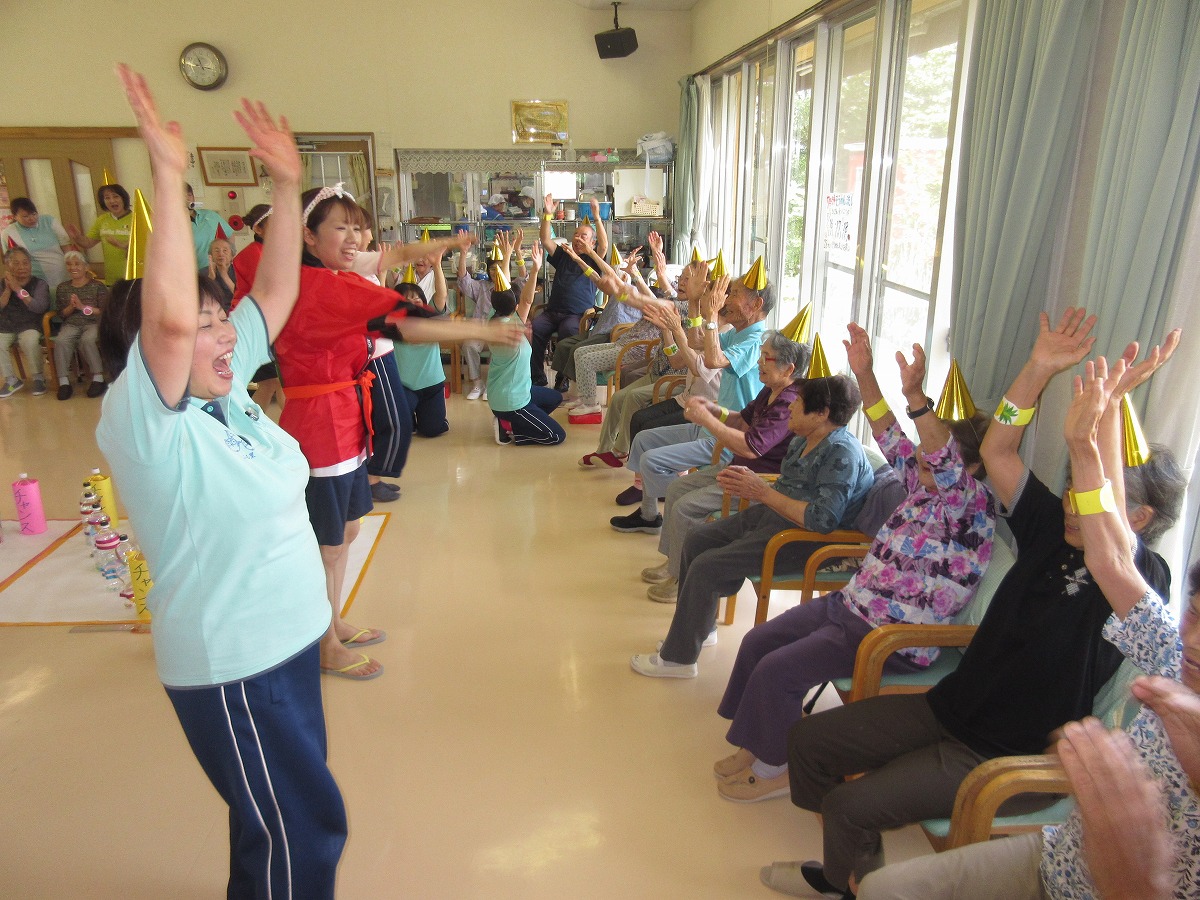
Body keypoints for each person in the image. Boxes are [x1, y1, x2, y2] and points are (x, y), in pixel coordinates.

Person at [767, 310, 1183, 900]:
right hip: (948, 706)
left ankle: (850, 879)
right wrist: (1038, 367)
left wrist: (1104, 420)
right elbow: (1000, 448)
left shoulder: (1140, 578)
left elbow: (1109, 539)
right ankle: (855, 870)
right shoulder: (1048, 529)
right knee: (809, 744)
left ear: (1135, 520)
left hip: (1005, 751)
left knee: (850, 803)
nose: (1071, 500)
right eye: (1070, 489)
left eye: (1085, 495)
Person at [96, 65, 347, 897]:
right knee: (301, 836)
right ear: (149, 354)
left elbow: (274, 289)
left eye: (219, 320)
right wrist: (167, 179)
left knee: (274, 824)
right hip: (235, 663)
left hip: (286, 645)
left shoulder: (224, 385)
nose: (223, 335)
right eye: (204, 326)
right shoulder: (149, 417)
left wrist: (288, 184)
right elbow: (169, 322)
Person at [711, 324, 994, 802]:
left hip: (889, 636)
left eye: (939, 456)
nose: (924, 457)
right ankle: (757, 743)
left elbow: (935, 455)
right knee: (760, 642)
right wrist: (866, 375)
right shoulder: (920, 484)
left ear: (971, 470)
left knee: (779, 671)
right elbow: (888, 435)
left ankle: (778, 767)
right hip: (852, 606)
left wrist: (918, 397)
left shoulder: (970, 510)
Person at [273, 186, 522, 680]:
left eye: (358, 227)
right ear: (307, 236)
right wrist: (485, 331)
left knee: (345, 530)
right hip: (321, 424)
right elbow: (406, 323)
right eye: (340, 228)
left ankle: (333, 620)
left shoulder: (333, 272)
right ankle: (322, 641)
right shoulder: (323, 287)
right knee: (328, 541)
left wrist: (437, 250)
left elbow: (382, 262)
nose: (355, 239)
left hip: (345, 416)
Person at [631, 374, 876, 678]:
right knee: (697, 539)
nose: (790, 408)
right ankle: (700, 627)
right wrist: (761, 490)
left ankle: (678, 660)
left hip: (804, 539)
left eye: (799, 403)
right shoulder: (804, 436)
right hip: (776, 515)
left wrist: (762, 492)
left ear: (822, 413)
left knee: (707, 566)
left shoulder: (842, 453)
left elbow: (821, 520)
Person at [639, 330, 811, 603]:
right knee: (677, 489)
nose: (758, 363)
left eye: (766, 358)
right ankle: (674, 565)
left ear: (789, 368)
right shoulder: (771, 389)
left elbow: (750, 446)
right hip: (738, 468)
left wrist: (707, 421)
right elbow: (742, 420)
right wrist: (713, 408)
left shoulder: (789, 403)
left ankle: (683, 578)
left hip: (759, 480)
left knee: (686, 507)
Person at [610, 261, 772, 528]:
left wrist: (703, 316)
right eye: (726, 293)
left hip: (727, 436)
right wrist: (696, 303)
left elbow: (711, 360)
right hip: (710, 425)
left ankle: (679, 499)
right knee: (642, 440)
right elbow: (697, 341)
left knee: (653, 463)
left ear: (756, 305)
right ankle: (649, 514)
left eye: (733, 294)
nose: (726, 300)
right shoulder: (740, 334)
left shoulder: (754, 340)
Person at [578, 254, 719, 469]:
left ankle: (620, 451)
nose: (681, 282)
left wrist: (624, 290)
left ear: (703, 286)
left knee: (631, 397)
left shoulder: (692, 311)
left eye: (687, 279)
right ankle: (604, 450)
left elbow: (646, 301)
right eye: (680, 277)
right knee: (617, 398)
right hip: (660, 369)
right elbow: (650, 299)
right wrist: (630, 280)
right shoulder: (681, 304)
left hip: (676, 378)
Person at [486, 241, 566, 446]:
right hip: (511, 401)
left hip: (518, 391)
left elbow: (507, 291)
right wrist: (535, 269)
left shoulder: (494, 318)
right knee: (556, 436)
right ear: (514, 304)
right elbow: (527, 300)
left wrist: (507, 257)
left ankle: (512, 422)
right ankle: (513, 429)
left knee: (555, 398)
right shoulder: (510, 326)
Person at [530, 195, 609, 387]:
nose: (578, 238)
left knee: (569, 333)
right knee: (534, 330)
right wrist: (547, 215)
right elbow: (545, 239)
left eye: (584, 236)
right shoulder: (564, 255)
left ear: (592, 243)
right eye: (576, 235)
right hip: (552, 312)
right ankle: (537, 376)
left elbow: (604, 245)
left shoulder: (593, 260)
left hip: (577, 315)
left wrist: (597, 217)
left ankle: (562, 377)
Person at [456, 230, 527, 400]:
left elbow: (524, 278)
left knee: (501, 349)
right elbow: (463, 280)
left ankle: (492, 384)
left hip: (502, 334)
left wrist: (516, 252)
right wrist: (464, 253)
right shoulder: (481, 287)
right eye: (492, 269)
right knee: (469, 345)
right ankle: (477, 383)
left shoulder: (512, 288)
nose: (496, 272)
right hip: (480, 332)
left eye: (500, 268)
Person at [53, 250, 108, 399]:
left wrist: (83, 308)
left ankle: (98, 378)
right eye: (69, 264)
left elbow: (103, 311)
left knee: (87, 340)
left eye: (77, 264)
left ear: (86, 266)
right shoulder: (63, 288)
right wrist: (71, 307)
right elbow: (61, 314)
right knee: (61, 340)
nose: (73, 267)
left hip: (93, 323)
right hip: (71, 324)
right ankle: (64, 382)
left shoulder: (97, 286)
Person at [0, 246, 51, 397]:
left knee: (29, 340)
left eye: (25, 263)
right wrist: (8, 291)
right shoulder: (3, 284)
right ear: (8, 266)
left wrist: (18, 290)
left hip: (30, 324)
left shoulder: (40, 284)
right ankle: (11, 379)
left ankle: (38, 377)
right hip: (6, 325)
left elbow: (39, 307)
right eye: (16, 263)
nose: (22, 267)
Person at [65, 183, 133, 285]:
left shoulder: (136, 218)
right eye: (107, 198)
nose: (112, 201)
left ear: (123, 198)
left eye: (116, 196)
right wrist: (77, 237)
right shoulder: (102, 220)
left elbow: (147, 246)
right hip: (112, 277)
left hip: (134, 276)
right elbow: (88, 243)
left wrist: (122, 245)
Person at [1, 197, 72, 290]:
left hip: (62, 274)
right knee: (40, 303)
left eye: (34, 214)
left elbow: (66, 247)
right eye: (25, 216)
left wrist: (72, 266)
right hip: (35, 281)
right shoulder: (9, 232)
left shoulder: (49, 221)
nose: (32, 219)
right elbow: (10, 260)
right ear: (14, 216)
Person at [186, 183, 233, 270]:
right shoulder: (173, 223)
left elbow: (229, 234)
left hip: (220, 269)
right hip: (195, 272)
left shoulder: (209, 215)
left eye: (189, 195)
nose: (187, 199)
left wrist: (230, 257)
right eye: (183, 196)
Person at [204, 237, 236, 309]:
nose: (221, 254)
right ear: (210, 256)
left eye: (225, 250)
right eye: (216, 251)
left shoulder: (239, 272)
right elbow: (201, 299)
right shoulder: (202, 273)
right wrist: (210, 279)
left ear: (232, 255)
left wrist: (224, 275)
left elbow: (242, 296)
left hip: (234, 310)